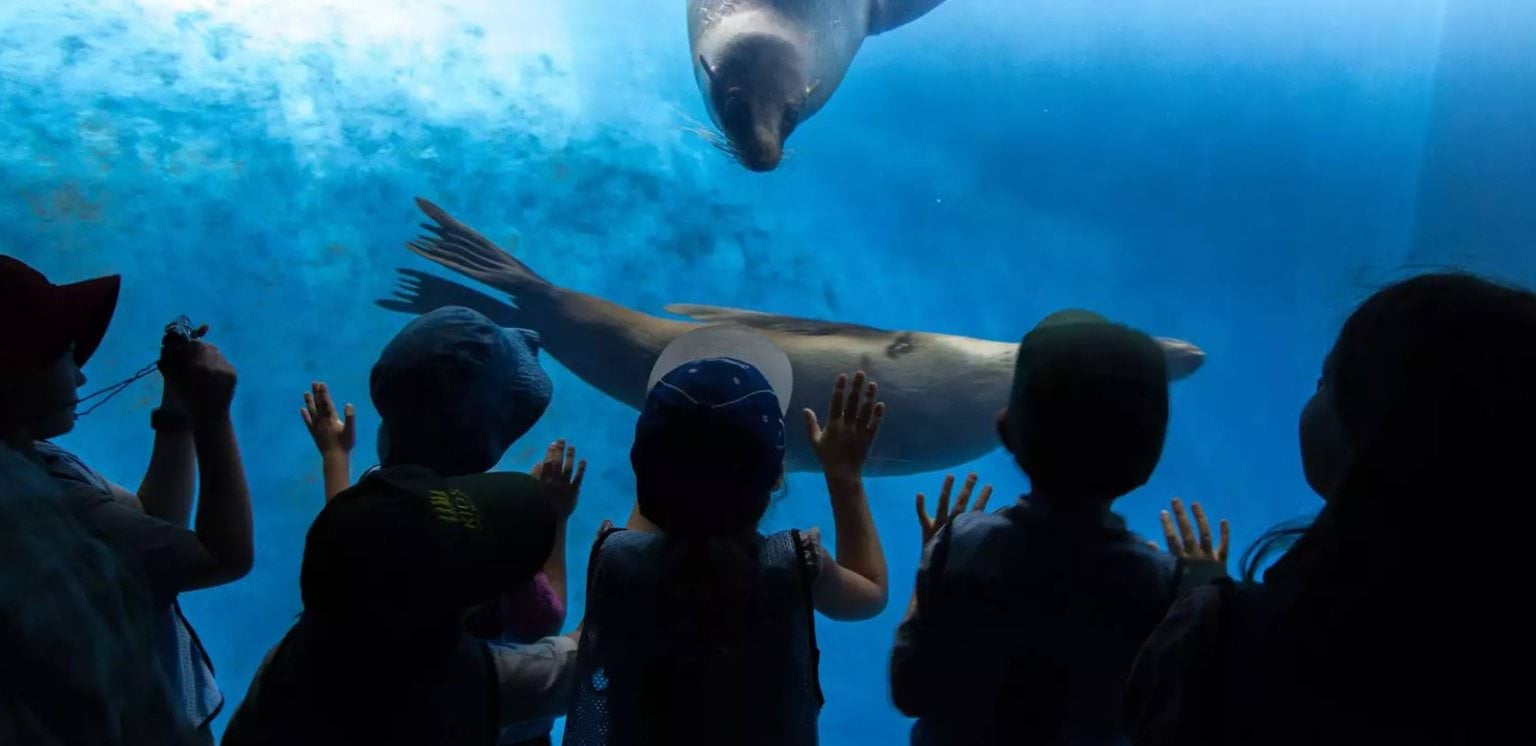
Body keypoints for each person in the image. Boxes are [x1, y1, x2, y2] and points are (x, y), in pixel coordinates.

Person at [1124, 273, 1536, 745]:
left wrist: (1203, 595)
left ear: (1377, 433)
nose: (1313, 393)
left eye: (1327, 382)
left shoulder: (1231, 635)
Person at [226, 306, 584, 746]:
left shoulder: (373, 517)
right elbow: (543, 620)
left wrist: (335, 456)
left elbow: (349, 532)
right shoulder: (483, 540)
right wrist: (557, 517)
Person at [563, 325, 890, 746]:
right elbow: (871, 593)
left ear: (642, 468)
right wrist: (844, 476)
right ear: (776, 480)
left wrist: (673, 460)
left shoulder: (615, 560)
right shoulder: (795, 562)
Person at [889, 309, 1189, 745]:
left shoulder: (961, 545)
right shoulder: (1161, 582)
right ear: (1149, 461)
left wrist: (934, 557)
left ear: (1005, 428)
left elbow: (909, 690)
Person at [0, 255, 252, 744]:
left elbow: (153, 521)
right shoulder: (39, 506)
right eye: (67, 355)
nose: (81, 377)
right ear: (12, 370)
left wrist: (177, 408)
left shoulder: (41, 461)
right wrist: (213, 415)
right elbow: (223, 557)